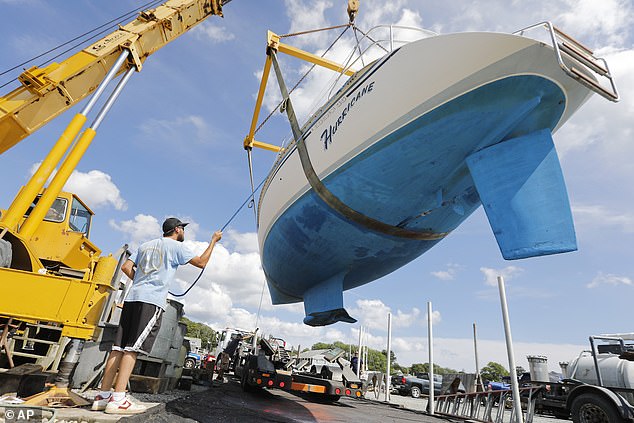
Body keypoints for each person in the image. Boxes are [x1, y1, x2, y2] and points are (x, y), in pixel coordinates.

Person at [92, 217, 222, 414]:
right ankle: (118, 399)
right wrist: (213, 241)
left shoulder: (145, 245)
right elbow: (202, 262)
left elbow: (126, 267)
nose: (183, 233)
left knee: (118, 347)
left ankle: (102, 397)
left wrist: (143, 280)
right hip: (150, 302)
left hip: (132, 298)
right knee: (132, 349)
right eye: (183, 229)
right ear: (177, 230)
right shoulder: (176, 247)